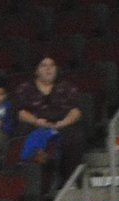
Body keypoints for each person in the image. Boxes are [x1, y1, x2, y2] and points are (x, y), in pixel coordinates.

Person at [12, 56, 85, 184]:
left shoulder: (66, 87)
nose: (48, 69)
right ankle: (34, 181)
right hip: (35, 124)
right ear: (36, 70)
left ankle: (70, 180)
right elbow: (21, 113)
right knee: (23, 133)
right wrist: (36, 121)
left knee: (74, 135)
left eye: (51, 65)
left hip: (62, 124)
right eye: (44, 65)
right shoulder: (25, 88)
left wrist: (63, 123)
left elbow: (76, 111)